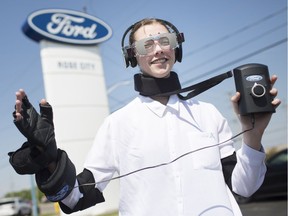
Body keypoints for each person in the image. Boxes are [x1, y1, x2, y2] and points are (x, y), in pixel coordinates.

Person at [9, 18, 281, 216]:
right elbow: (76, 199)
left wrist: (252, 135)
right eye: (146, 44)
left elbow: (244, 188)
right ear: (132, 56)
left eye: (166, 41)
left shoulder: (208, 114)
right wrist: (51, 160)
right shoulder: (118, 124)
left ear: (177, 48)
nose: (158, 49)